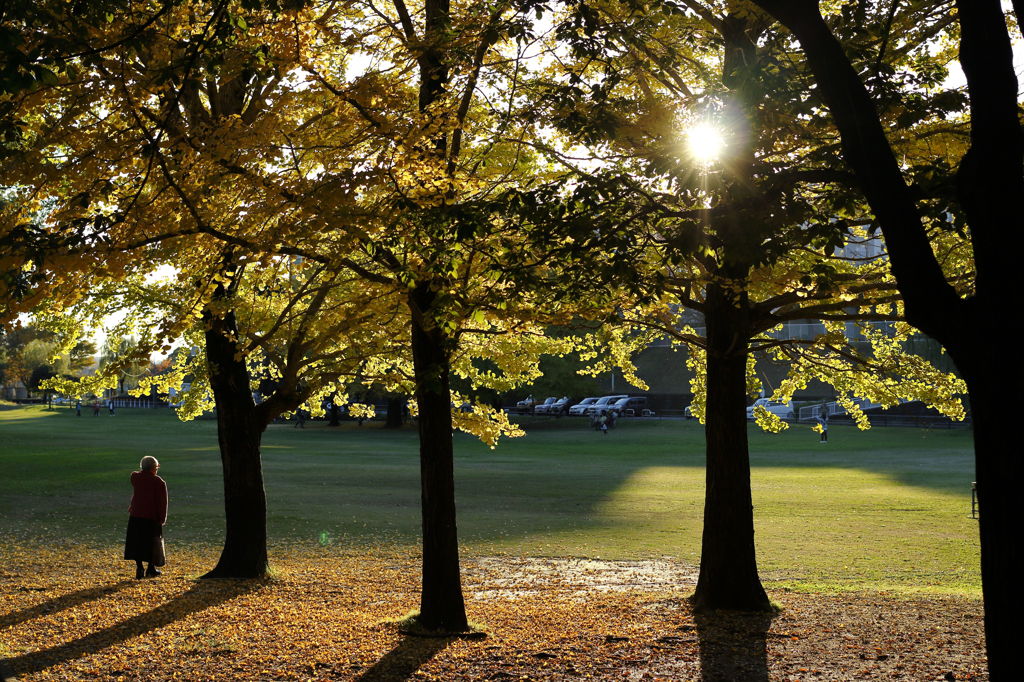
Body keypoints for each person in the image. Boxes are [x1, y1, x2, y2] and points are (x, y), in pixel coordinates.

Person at [124, 456, 168, 579]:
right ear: (154, 468)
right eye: (157, 467)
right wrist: (162, 519)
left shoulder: (135, 477)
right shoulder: (159, 482)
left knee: (137, 542)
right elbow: (162, 503)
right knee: (151, 543)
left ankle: (139, 568)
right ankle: (150, 569)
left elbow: (137, 476)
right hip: (151, 517)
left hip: (136, 515)